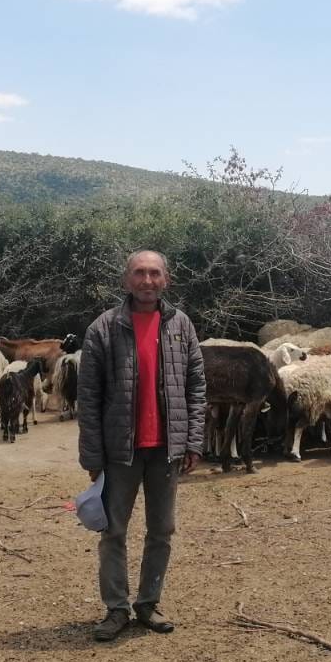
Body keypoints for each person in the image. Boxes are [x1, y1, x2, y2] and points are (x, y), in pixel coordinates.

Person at [77, 249, 207, 642]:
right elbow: (88, 397)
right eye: (139, 273)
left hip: (167, 448)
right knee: (114, 532)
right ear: (126, 280)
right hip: (121, 451)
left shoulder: (181, 325)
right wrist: (92, 456)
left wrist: (193, 441)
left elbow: (196, 386)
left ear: (166, 279)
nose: (147, 280)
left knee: (161, 530)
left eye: (154, 273)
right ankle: (116, 609)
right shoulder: (103, 328)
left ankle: (148, 603)